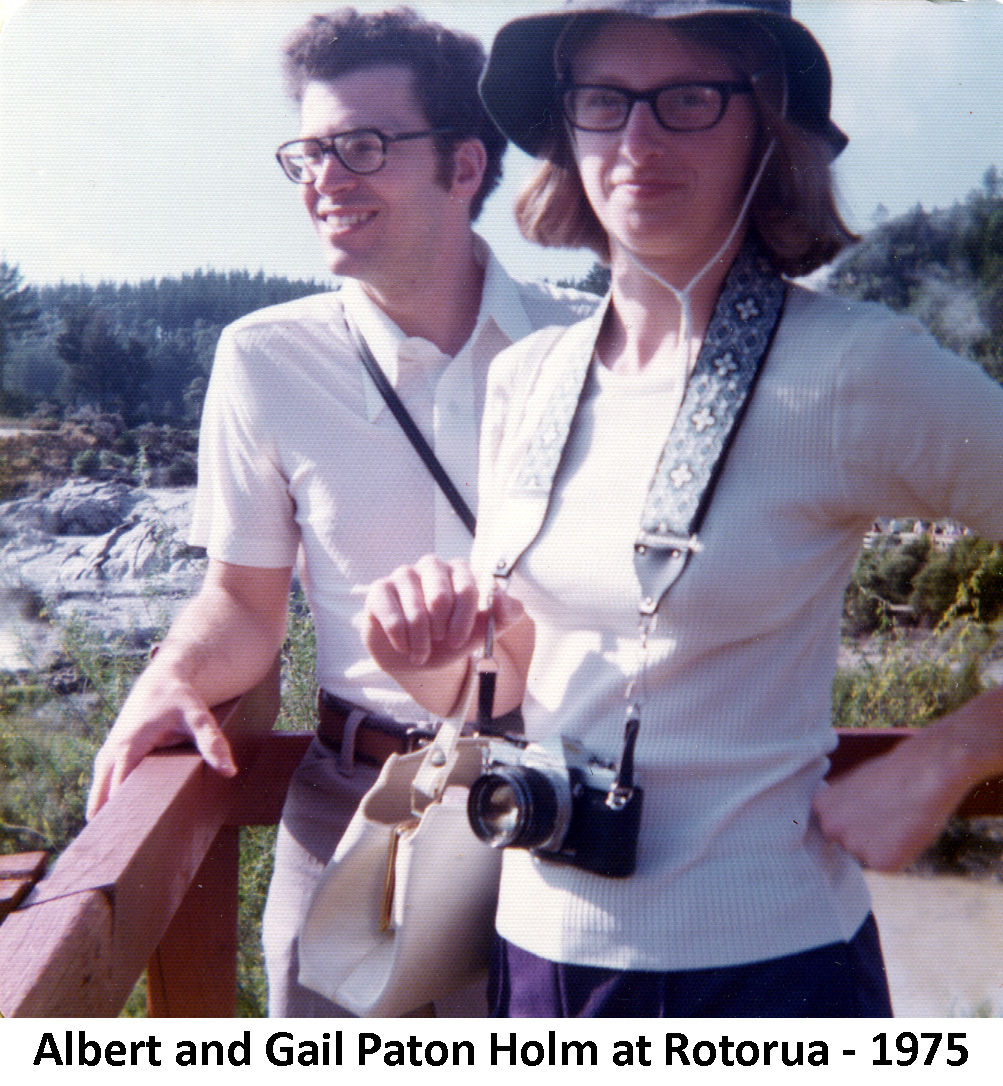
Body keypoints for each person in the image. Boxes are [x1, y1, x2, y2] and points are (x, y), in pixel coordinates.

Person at [363, 0, 1003, 1017]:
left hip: (764, 970)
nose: (637, 140)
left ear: (764, 120)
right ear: (567, 124)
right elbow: (520, 675)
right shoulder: (530, 376)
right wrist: (419, 652)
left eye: (689, 99)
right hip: (534, 956)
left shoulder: (851, 368)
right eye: (603, 100)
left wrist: (948, 756)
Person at [85, 6, 596, 1017]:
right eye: (309, 153)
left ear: (463, 166)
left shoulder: (595, 348)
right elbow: (243, 602)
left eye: (360, 146)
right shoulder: (263, 358)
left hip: (559, 804)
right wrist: (172, 676)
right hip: (356, 807)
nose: (324, 177)